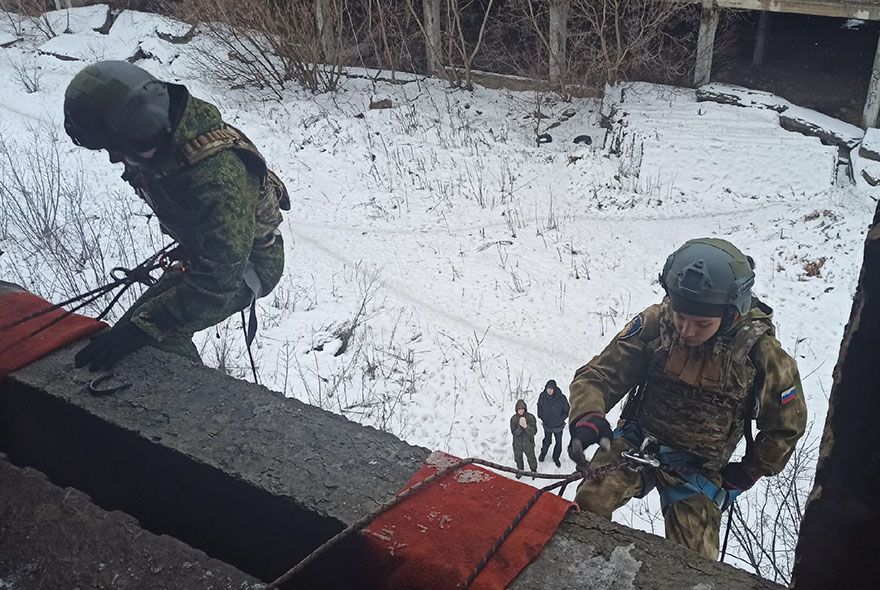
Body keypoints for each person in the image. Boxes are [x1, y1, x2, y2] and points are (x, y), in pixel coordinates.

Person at [567, 238, 807, 560]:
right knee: (587, 506)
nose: (686, 331)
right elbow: (600, 375)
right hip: (636, 443)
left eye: (702, 324)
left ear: (732, 314)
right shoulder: (656, 324)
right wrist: (588, 415)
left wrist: (751, 470)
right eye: (680, 317)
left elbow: (786, 425)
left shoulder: (762, 355)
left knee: (697, 565)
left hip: (699, 470)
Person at [63, 61, 288, 371]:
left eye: (116, 148)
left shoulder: (217, 178)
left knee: (155, 336)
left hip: (252, 263)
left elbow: (218, 283)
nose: (115, 158)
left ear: (139, 130)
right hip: (207, 254)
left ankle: (200, 408)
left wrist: (144, 329)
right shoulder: (163, 135)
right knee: (133, 327)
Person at [537, 379, 570, 467]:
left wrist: (560, 419)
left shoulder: (561, 397)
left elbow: (567, 411)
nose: (549, 390)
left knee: (558, 443)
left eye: (551, 389)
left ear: (554, 389)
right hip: (547, 425)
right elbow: (539, 406)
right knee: (547, 441)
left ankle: (556, 458)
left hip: (558, 426)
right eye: (548, 389)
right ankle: (543, 453)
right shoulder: (542, 396)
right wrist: (541, 416)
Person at [510, 399, 538, 479]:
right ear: (516, 410)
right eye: (519, 409)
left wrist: (526, 427)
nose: (521, 411)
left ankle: (533, 471)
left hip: (528, 442)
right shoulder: (514, 419)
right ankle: (520, 470)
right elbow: (514, 433)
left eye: (522, 409)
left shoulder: (531, 417)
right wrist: (520, 427)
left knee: (531, 458)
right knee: (518, 458)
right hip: (517, 444)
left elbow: (534, 431)